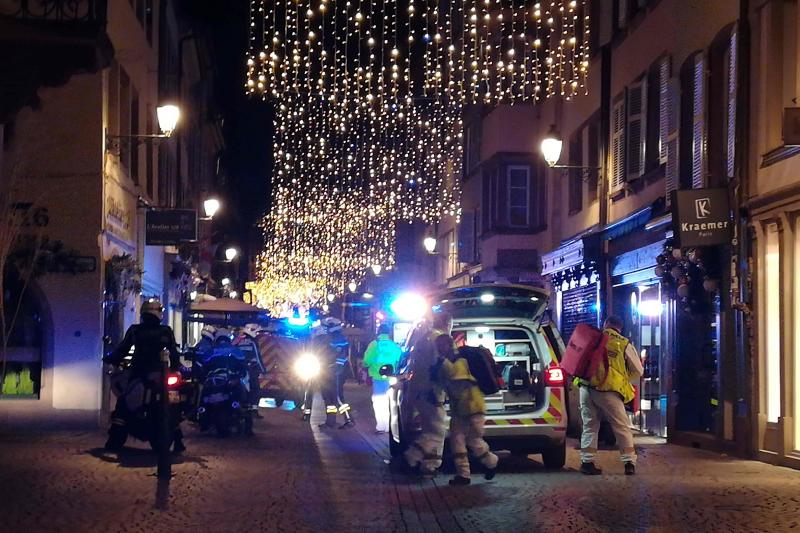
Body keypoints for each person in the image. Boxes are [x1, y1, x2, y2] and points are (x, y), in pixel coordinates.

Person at [103, 299, 184, 453]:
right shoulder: (166, 331)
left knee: (123, 404)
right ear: (158, 313)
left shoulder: (135, 330)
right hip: (160, 373)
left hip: (139, 372)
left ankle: (114, 442)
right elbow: (173, 353)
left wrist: (111, 359)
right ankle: (178, 441)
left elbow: (123, 349)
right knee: (171, 406)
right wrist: (177, 367)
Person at [577, 315, 643, 476]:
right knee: (621, 426)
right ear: (620, 328)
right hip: (608, 391)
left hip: (586, 388)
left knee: (590, 425)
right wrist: (623, 379)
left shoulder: (593, 338)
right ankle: (629, 463)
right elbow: (638, 371)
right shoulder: (623, 343)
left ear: (605, 324)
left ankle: (587, 462)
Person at [437, 334, 498, 485]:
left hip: (467, 408)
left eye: (440, 346)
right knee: (469, 440)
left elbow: (457, 385)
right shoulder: (459, 361)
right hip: (471, 407)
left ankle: (468, 473)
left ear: (447, 346)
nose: (439, 349)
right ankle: (488, 464)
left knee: (462, 440)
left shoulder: (457, 362)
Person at [402, 311, 452, 475]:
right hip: (433, 392)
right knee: (437, 431)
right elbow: (443, 365)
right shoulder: (441, 340)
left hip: (421, 391)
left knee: (431, 429)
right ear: (447, 324)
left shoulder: (424, 338)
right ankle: (413, 456)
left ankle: (430, 465)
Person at [311, 316, 355, 429]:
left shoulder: (338, 338)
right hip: (327, 371)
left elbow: (341, 355)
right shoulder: (330, 337)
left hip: (336, 372)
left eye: (325, 326)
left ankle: (349, 420)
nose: (324, 328)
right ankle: (330, 421)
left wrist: (337, 369)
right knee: (328, 397)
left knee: (338, 397)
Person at [362, 324, 403, 434]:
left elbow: (366, 360)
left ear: (379, 332)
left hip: (378, 377)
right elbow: (400, 360)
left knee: (379, 402)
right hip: (391, 378)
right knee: (390, 401)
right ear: (389, 333)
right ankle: (390, 426)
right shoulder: (394, 346)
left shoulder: (375, 344)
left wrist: (365, 367)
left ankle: (381, 426)